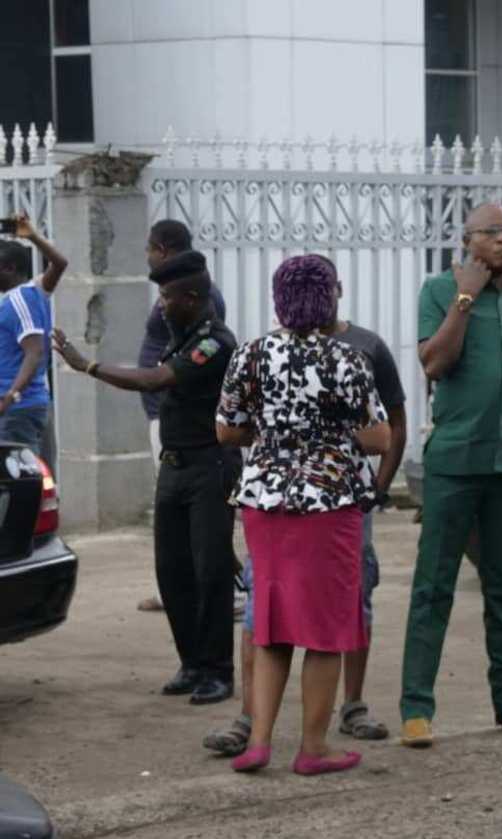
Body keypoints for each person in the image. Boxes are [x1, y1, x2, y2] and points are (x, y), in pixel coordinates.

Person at [202, 257, 408, 755]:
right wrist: (328, 435)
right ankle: (313, 750)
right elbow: (380, 438)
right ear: (330, 298)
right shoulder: (346, 358)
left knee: (269, 623)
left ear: (278, 300)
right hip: (329, 503)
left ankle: (259, 743)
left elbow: (226, 431)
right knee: (326, 630)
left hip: (265, 505)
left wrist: (274, 434)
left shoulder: (250, 354)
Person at [399, 203, 502, 748]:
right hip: (458, 460)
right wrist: (466, 298)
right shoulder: (438, 291)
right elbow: (433, 364)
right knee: (434, 585)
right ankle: (417, 709)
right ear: (467, 239)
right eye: (493, 232)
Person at [53, 251, 238, 705]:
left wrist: (88, 366)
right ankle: (191, 662)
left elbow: (156, 380)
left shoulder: (214, 342)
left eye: (168, 296)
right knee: (172, 571)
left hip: (209, 468)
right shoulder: (184, 334)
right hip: (175, 468)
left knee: (210, 571)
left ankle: (217, 671)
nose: (160, 305)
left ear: (192, 298)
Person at [136, 220, 227, 613]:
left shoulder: (204, 306)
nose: (162, 303)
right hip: (167, 419)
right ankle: (177, 588)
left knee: (201, 532)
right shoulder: (174, 294)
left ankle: (224, 589)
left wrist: (89, 366)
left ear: (164, 248)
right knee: (174, 528)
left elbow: (176, 368)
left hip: (193, 438)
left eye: (150, 248)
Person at [0, 214, 69, 455]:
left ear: (8, 268)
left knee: (18, 481)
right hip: (33, 404)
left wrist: (12, 395)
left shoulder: (18, 300)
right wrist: (32, 236)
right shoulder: (34, 291)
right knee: (36, 478)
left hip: (16, 408)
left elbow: (35, 351)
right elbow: (60, 263)